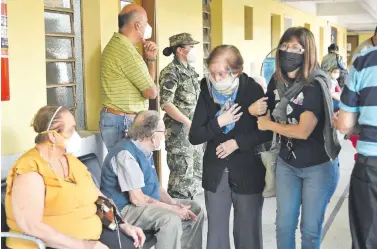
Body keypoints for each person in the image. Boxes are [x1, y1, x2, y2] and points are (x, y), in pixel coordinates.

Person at [5, 106, 145, 249]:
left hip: (90, 238)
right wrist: (85, 245)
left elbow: (99, 199)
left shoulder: (71, 162)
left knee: (131, 244)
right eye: (71, 130)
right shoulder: (30, 170)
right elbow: (31, 226)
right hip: (49, 245)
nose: (76, 135)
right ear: (53, 136)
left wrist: (123, 224)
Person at [257, 27, 340, 249]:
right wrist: (254, 110)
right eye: (285, 46)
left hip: (318, 166)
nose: (288, 51)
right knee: (284, 226)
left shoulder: (315, 84)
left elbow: (303, 131)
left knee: (310, 230)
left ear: (308, 51)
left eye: (296, 47)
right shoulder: (277, 80)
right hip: (287, 163)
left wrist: (268, 124)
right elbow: (266, 109)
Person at [189, 45, 270, 249]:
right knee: (216, 235)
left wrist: (236, 143)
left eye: (221, 73)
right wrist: (219, 122)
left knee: (247, 233)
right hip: (216, 170)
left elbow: (266, 132)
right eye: (212, 73)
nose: (216, 79)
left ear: (237, 71)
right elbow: (195, 135)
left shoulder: (252, 89)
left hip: (247, 169)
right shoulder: (206, 91)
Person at [100, 110, 204, 249]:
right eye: (163, 131)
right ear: (152, 135)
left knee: (195, 209)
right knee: (170, 219)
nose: (165, 134)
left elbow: (157, 187)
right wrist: (172, 209)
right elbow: (137, 199)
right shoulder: (126, 155)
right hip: (124, 209)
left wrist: (175, 204)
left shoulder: (146, 150)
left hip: (143, 202)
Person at [333, 25, 377, 249]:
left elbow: (345, 124)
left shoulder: (364, 61)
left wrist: (341, 122)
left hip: (371, 168)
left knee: (367, 237)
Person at [100, 4, 158, 150]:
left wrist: (150, 59)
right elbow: (151, 92)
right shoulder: (126, 52)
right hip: (123, 121)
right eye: (146, 24)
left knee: (125, 169)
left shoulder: (121, 46)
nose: (147, 28)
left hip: (119, 119)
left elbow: (147, 84)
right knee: (128, 170)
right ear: (137, 26)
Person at [159, 33, 203, 199]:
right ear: (179, 50)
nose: (193, 50)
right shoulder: (171, 73)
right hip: (180, 134)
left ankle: (195, 215)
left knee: (197, 174)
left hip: (195, 132)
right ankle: (180, 219)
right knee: (182, 178)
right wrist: (188, 122)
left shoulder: (190, 71)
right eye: (190, 47)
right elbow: (166, 104)